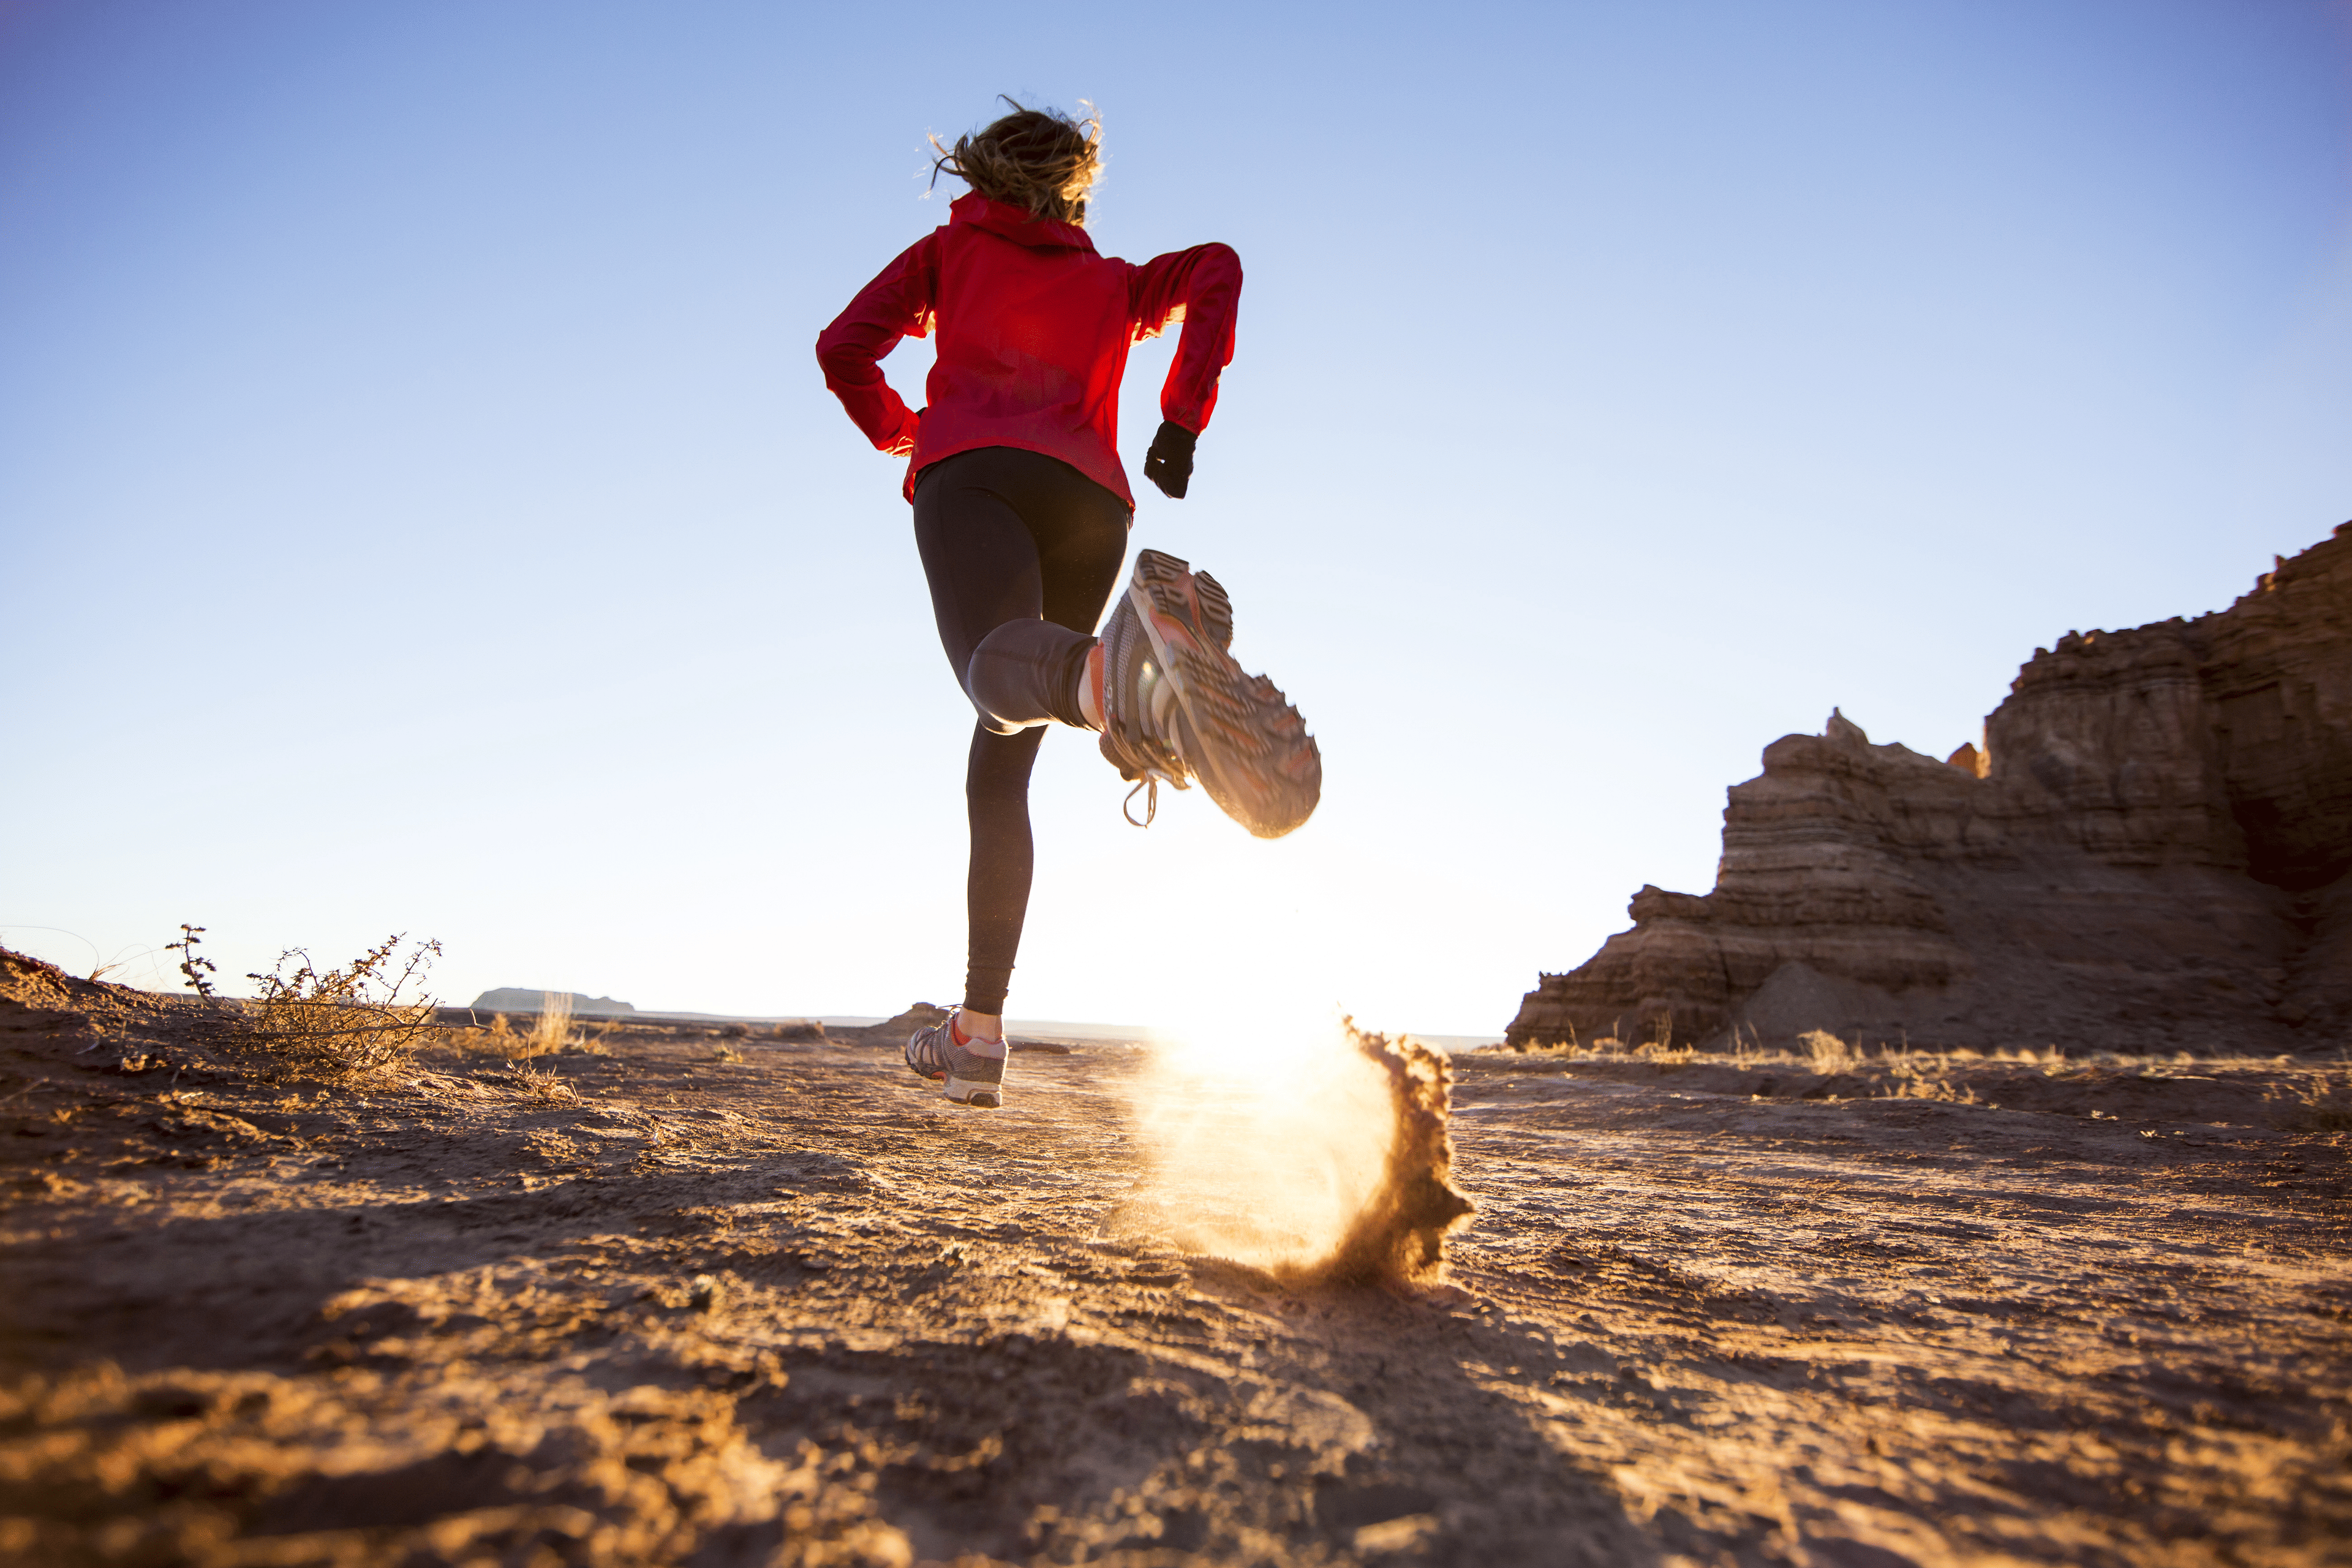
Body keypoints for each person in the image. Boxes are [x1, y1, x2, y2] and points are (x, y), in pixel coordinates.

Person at [816, 100, 1321, 1109]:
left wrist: (910, 433)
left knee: (996, 679)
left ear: (979, 174)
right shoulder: (1111, 283)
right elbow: (1216, 265)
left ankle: (1126, 686)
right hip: (1093, 503)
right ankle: (976, 1035)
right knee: (1000, 763)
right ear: (1072, 184)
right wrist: (1180, 421)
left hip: (978, 478)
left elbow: (842, 348)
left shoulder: (947, 258)